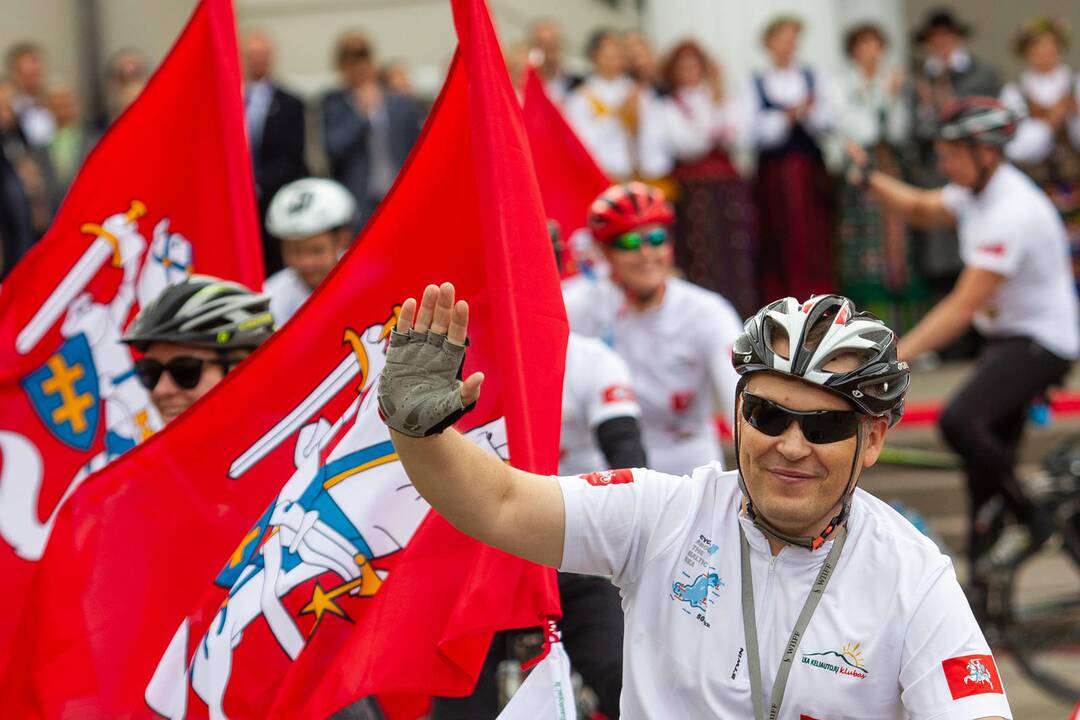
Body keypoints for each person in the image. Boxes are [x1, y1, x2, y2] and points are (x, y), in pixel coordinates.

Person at [376, 281, 1012, 719]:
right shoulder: (664, 512)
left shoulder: (912, 572)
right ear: (736, 413)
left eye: (822, 427)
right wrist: (418, 434)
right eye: (767, 415)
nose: (791, 446)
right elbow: (501, 502)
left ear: (871, 440)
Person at [847, 97, 1079, 574]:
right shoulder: (975, 192)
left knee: (960, 421)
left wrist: (891, 356)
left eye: (950, 152)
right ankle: (984, 591)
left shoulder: (1012, 209)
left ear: (986, 154)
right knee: (981, 479)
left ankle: (1031, 517)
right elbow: (918, 206)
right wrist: (870, 176)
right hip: (1009, 338)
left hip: (1041, 343)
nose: (941, 162)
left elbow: (961, 305)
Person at [563, 182, 742, 476]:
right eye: (629, 244)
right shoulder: (577, 305)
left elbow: (740, 395)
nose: (646, 254)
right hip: (606, 459)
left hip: (686, 463)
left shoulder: (708, 312)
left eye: (656, 239)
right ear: (606, 254)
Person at [836, 23, 929, 333]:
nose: (870, 51)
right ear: (854, 51)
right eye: (863, 44)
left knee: (902, 247)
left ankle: (910, 332)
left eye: (875, 44)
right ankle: (871, 333)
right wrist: (881, 99)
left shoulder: (895, 81)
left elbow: (898, 129)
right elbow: (857, 130)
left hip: (892, 167)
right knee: (867, 252)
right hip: (861, 177)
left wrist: (888, 97)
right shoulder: (842, 84)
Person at [659, 39, 758, 317]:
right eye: (684, 66)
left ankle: (741, 310)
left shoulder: (718, 97)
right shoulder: (670, 106)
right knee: (702, 250)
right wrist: (715, 125)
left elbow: (740, 135)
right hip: (695, 190)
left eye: (695, 65)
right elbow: (689, 145)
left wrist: (717, 110)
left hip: (726, 187)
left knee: (734, 250)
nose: (690, 71)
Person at [910, 9, 1001, 296]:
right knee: (942, 259)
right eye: (935, 37)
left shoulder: (983, 75)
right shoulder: (921, 80)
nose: (941, 42)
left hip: (977, 176)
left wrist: (947, 108)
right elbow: (915, 132)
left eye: (946, 36)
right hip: (938, 174)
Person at [745, 15, 835, 301]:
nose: (788, 46)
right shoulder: (756, 82)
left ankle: (818, 294)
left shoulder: (813, 77)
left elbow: (828, 122)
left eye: (792, 39)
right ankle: (783, 296)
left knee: (813, 234)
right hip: (775, 172)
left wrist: (807, 114)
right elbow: (752, 132)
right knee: (779, 235)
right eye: (781, 39)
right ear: (769, 44)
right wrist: (788, 116)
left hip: (808, 169)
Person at [121, 276, 274, 424]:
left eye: (185, 371)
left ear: (245, 371)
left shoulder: (293, 448)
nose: (161, 390)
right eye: (150, 372)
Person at [1000, 17, 1080, 289]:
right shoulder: (1015, 93)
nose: (1046, 52)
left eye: (1051, 46)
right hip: (1035, 188)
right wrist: (1050, 121)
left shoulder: (1075, 84)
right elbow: (1018, 149)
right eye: (1038, 46)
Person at [321, 31, 421, 233]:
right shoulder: (334, 104)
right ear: (341, 67)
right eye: (350, 61)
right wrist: (361, 117)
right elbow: (333, 148)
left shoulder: (399, 102)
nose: (358, 67)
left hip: (399, 197)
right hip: (359, 204)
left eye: (362, 58)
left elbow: (416, 150)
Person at [240, 30, 310, 277]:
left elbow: (293, 155)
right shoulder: (232, 100)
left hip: (276, 197)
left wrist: (259, 185)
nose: (258, 61)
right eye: (253, 55)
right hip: (241, 203)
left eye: (263, 55)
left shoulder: (290, 102)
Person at [564, 30, 669, 182]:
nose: (614, 57)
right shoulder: (580, 98)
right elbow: (581, 144)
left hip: (637, 178)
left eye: (618, 52)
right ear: (594, 55)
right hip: (598, 180)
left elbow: (656, 139)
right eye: (607, 52)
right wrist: (618, 116)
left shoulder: (639, 92)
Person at [264, 177, 356, 324]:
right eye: (293, 251)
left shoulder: (370, 284)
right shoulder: (270, 296)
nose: (305, 262)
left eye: (316, 250)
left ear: (342, 240)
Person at [46, 85, 97, 201]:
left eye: (66, 104)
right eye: (57, 105)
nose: (63, 110)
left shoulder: (93, 140)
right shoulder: (42, 142)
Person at [5, 42, 54, 148]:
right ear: (14, 73)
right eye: (27, 74)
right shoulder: (9, 107)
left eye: (36, 71)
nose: (33, 69)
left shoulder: (55, 103)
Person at [526, 18, 580, 104]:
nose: (549, 49)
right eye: (543, 44)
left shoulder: (576, 84)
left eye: (554, 43)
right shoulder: (521, 81)